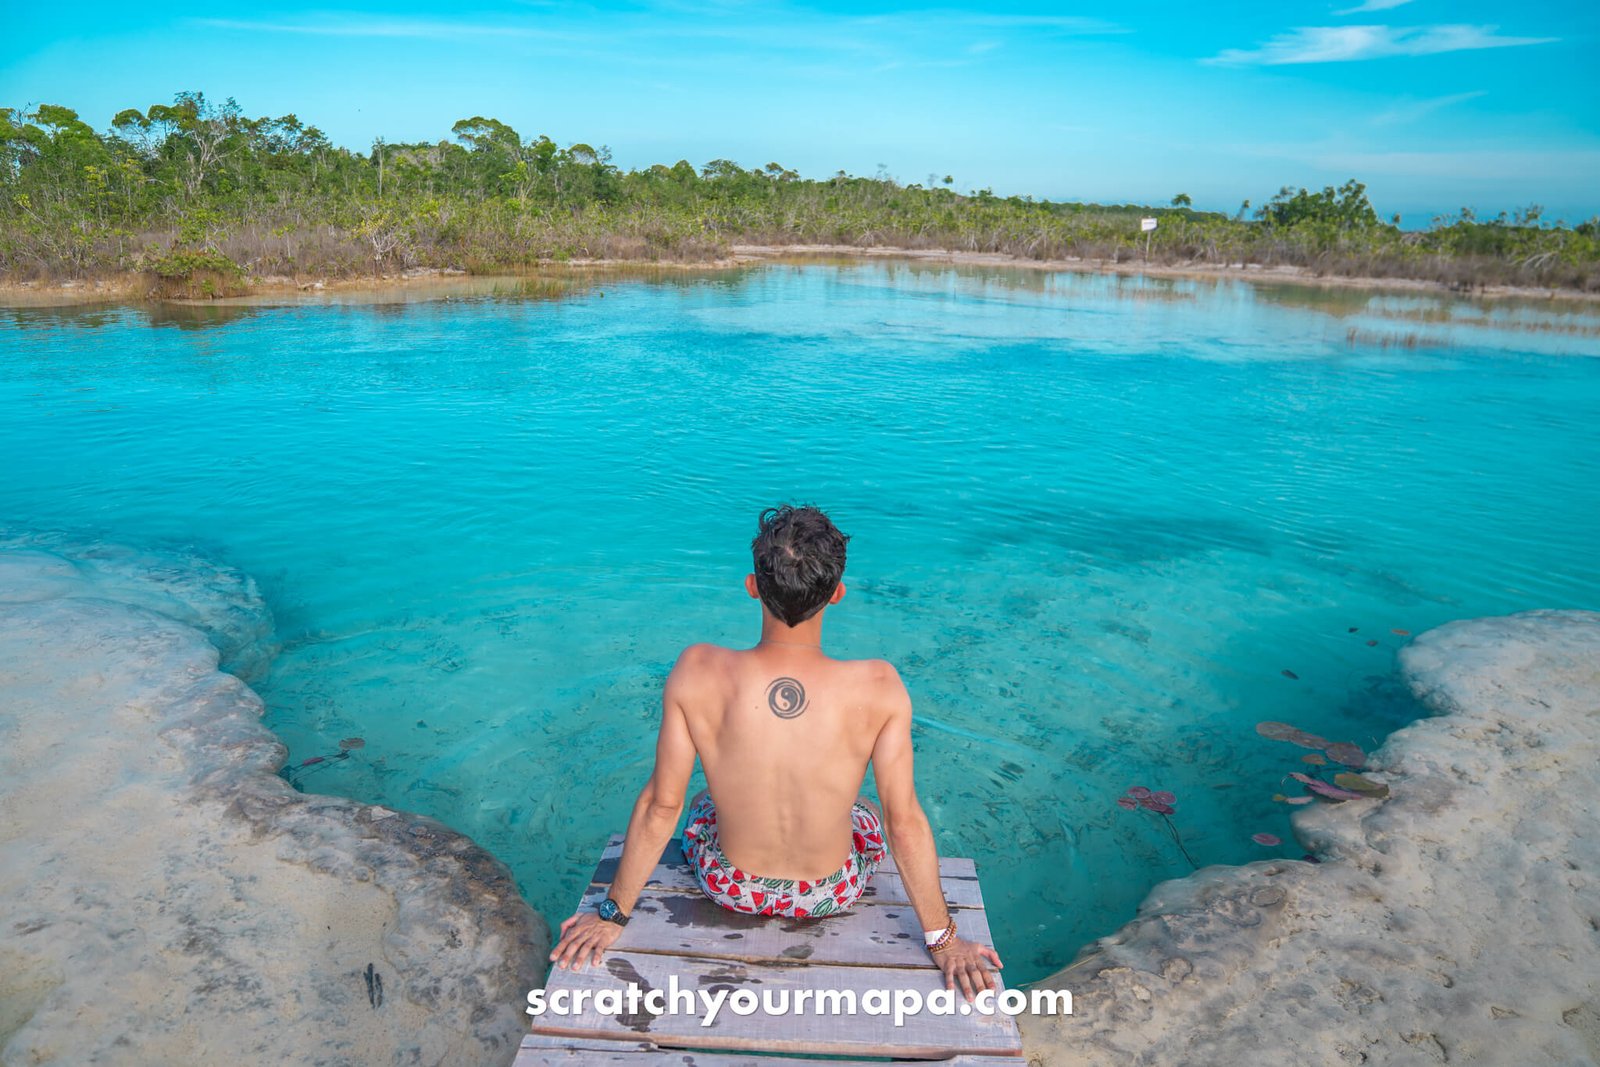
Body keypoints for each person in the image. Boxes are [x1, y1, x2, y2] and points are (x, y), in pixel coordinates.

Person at [548, 504, 1002, 1000]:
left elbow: (662, 804)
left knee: (705, 796)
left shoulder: (697, 668)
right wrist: (944, 939)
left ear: (752, 586)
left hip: (730, 884)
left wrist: (613, 914)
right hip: (832, 890)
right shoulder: (879, 685)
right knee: (866, 808)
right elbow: (904, 821)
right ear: (836, 595)